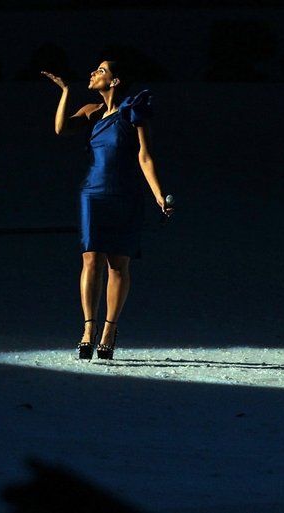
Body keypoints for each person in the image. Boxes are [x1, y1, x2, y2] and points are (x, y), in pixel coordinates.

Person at [41, 61, 173, 360]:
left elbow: (144, 155)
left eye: (101, 71)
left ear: (115, 81)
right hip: (93, 191)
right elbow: (61, 129)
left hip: (126, 193)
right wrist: (65, 92)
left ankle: (109, 329)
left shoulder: (133, 110)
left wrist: (158, 194)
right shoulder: (91, 111)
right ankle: (88, 328)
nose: (93, 73)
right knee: (91, 259)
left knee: (118, 265)